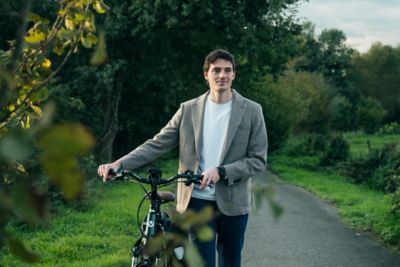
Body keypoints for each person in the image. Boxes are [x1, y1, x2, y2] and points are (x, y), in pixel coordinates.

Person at [97, 49, 268, 267]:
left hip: (234, 203)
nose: (222, 75)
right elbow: (157, 143)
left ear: (234, 74)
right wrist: (119, 163)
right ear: (206, 75)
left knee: (230, 263)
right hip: (197, 202)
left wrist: (222, 172)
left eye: (227, 70)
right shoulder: (188, 109)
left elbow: (258, 159)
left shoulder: (252, 111)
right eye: (216, 70)